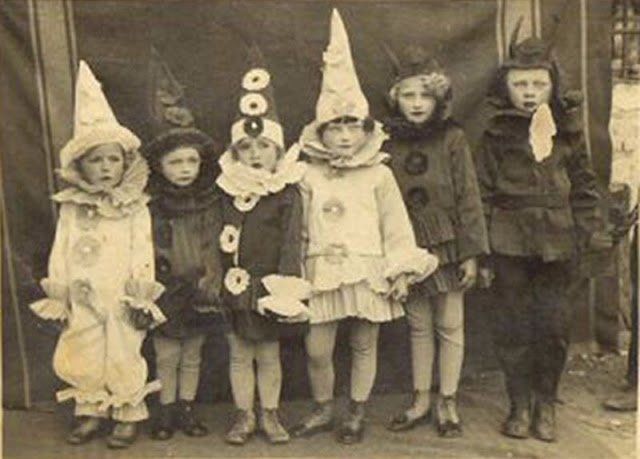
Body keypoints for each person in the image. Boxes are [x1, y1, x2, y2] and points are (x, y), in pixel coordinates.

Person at [290, 9, 439, 445]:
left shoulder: (379, 173)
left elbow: (396, 227)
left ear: (365, 130)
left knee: (363, 343)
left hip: (367, 269)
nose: (344, 136)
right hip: (320, 270)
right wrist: (294, 275)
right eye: (335, 128)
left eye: (352, 127)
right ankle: (322, 407)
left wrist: (399, 270)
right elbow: (296, 227)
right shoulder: (305, 174)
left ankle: (356, 411)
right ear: (321, 132)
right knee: (317, 347)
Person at [475, 20, 612, 442]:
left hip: (558, 239)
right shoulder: (495, 135)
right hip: (509, 241)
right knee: (513, 324)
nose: (530, 92)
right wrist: (482, 252)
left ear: (552, 86)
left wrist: (589, 234)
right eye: (521, 84)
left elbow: (586, 188)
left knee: (551, 325)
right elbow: (480, 192)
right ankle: (518, 403)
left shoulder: (567, 134)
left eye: (538, 83)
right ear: (507, 87)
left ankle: (545, 402)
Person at [30, 61, 166, 449]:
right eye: (96, 160)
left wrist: (140, 292)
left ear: (125, 163)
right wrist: (61, 291)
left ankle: (126, 413)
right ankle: (90, 411)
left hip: (122, 290)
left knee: (125, 348)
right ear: (81, 167)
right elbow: (62, 248)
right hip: (84, 290)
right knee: (82, 345)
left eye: (113, 159)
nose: (106, 168)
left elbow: (143, 248)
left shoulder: (134, 205)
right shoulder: (72, 206)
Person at [383, 46, 489, 437]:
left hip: (447, 243)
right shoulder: (387, 140)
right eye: (408, 95)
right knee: (418, 324)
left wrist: (470, 253)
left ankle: (448, 400)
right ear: (396, 99)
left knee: (449, 322)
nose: (416, 104)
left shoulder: (452, 138)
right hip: (407, 244)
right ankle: (421, 398)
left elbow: (468, 195)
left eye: (424, 95)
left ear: (437, 98)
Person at [216, 46, 310, 445]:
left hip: (269, 284)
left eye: (263, 148)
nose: (255, 155)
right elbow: (217, 235)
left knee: (268, 354)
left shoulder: (286, 192)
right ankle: (244, 416)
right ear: (236, 152)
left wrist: (283, 288)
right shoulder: (225, 189)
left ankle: (270, 415)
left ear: (276, 150)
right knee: (239, 353)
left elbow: (291, 241)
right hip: (234, 284)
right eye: (247, 149)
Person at [142, 49, 223, 440]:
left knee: (193, 352)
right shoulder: (152, 204)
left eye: (191, 162)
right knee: (167, 353)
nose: (185, 170)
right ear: (160, 167)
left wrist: (212, 278)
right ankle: (166, 409)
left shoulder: (209, 200)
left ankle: (186, 408)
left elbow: (215, 244)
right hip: (166, 288)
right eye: (176, 163)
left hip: (201, 286)